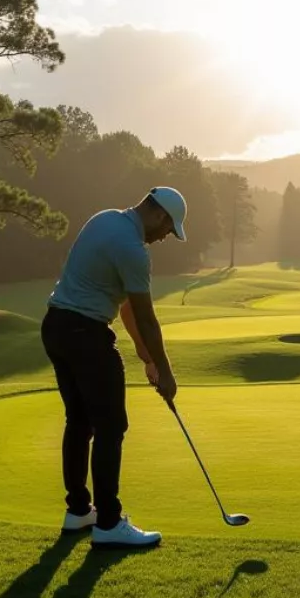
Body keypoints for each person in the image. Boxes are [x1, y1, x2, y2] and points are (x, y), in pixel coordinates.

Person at [40, 186, 187, 549]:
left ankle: (78, 511)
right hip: (86, 335)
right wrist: (167, 373)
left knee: (79, 421)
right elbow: (146, 317)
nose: (164, 237)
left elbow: (124, 309)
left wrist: (148, 358)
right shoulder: (133, 250)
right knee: (111, 426)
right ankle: (107, 522)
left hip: (56, 327)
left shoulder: (105, 218)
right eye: (167, 229)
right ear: (158, 215)